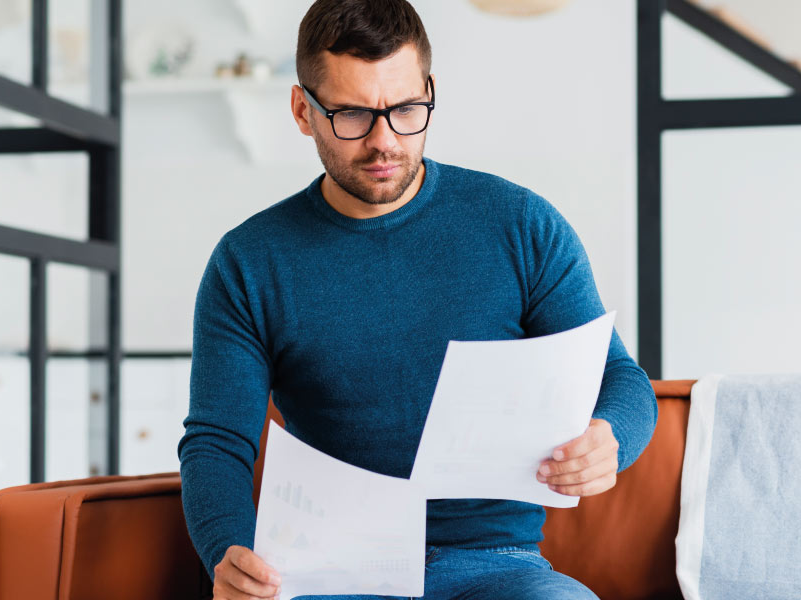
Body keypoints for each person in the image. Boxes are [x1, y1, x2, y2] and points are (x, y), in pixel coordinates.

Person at [178, 1, 657, 598]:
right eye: (353, 115)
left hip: (496, 564)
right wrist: (227, 552)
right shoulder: (248, 262)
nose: (384, 142)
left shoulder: (521, 225)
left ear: (430, 93)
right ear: (303, 111)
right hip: (330, 568)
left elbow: (620, 377)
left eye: (406, 110)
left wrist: (611, 436)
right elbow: (217, 441)